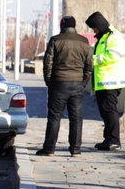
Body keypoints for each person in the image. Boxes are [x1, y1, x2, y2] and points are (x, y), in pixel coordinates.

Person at [36, 16, 92, 157]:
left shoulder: (55, 40)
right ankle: (76, 150)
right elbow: (89, 66)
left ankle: (49, 149)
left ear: (62, 26)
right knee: (76, 117)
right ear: (74, 26)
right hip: (77, 83)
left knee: (54, 117)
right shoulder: (84, 42)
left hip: (58, 83)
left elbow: (48, 64)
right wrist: (82, 82)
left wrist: (49, 81)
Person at [85, 11, 125, 151]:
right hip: (104, 81)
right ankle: (108, 139)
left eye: (94, 28)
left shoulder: (114, 37)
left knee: (110, 111)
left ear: (100, 26)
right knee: (105, 111)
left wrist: (92, 60)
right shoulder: (105, 37)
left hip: (110, 81)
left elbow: (111, 56)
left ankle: (114, 140)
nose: (94, 31)